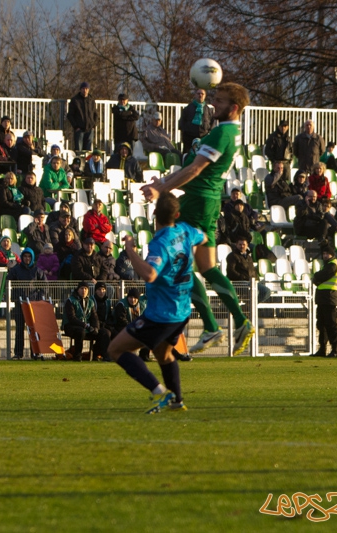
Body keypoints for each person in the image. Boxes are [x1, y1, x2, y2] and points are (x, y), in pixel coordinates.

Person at [142, 82, 255, 356]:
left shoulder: (223, 133)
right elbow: (191, 170)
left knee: (178, 262)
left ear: (234, 107)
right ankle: (235, 322)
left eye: (220, 100)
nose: (214, 103)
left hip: (198, 202)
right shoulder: (225, 131)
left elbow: (194, 170)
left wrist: (161, 189)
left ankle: (213, 324)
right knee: (206, 267)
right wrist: (165, 181)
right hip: (205, 201)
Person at [107, 192, 206, 413]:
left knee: (115, 349)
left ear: (154, 214)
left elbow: (150, 275)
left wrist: (130, 251)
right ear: (177, 215)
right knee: (163, 354)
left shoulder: (160, 243)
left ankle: (159, 392)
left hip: (161, 314)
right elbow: (204, 238)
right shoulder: (185, 230)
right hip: (182, 309)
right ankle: (177, 401)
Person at [8, 248, 47, 359]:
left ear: (32, 258)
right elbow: (8, 282)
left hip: (33, 305)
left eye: (29, 257)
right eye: (25, 256)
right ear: (22, 257)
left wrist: (38, 298)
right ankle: (18, 353)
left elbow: (44, 286)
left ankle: (35, 353)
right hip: (20, 304)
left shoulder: (37, 270)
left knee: (34, 329)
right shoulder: (16, 270)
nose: (27, 258)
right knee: (19, 329)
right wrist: (15, 296)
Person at [62, 281, 110, 361]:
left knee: (105, 332)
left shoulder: (90, 302)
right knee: (81, 332)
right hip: (71, 326)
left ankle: (100, 355)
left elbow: (94, 317)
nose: (83, 290)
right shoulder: (70, 301)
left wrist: (95, 328)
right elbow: (72, 318)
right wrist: (85, 325)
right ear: (78, 290)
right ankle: (77, 356)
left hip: (86, 327)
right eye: (81, 288)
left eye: (85, 289)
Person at [309, 241, 337, 358]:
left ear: (331, 254)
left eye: (327, 253)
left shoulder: (332, 265)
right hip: (324, 298)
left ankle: (335, 349)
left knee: (331, 324)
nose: (325, 255)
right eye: (324, 253)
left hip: (329, 298)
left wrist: (316, 277)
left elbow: (319, 276)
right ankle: (323, 349)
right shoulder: (329, 265)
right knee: (322, 324)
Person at [225, 234, 270, 303]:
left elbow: (252, 270)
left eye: (244, 244)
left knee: (266, 291)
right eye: (240, 244)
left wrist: (256, 278)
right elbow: (231, 271)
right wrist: (242, 277)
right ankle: (249, 307)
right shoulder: (232, 256)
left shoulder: (249, 257)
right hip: (239, 282)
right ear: (236, 245)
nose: (242, 246)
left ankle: (248, 306)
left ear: (247, 245)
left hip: (251, 281)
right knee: (253, 291)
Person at [67, 82, 98, 152]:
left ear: (89, 90)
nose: (85, 90)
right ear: (80, 89)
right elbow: (70, 115)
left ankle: (87, 163)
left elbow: (95, 114)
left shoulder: (91, 100)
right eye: (83, 88)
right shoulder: (75, 100)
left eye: (86, 88)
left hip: (90, 129)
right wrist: (76, 127)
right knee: (79, 151)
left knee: (88, 152)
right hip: (79, 129)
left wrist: (93, 125)